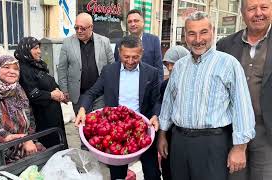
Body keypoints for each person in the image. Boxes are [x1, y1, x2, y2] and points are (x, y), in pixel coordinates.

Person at [158, 11, 256, 180]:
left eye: (203, 32)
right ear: (185, 36)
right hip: (179, 142)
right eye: (192, 33)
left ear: (212, 31)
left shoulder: (228, 64)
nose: (198, 39)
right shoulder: (179, 66)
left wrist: (240, 148)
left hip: (213, 144)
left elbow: (242, 107)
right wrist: (162, 135)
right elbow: (168, 102)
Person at [75, 35, 161, 180]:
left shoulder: (151, 73)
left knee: (152, 173)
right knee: (118, 175)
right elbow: (91, 92)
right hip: (116, 130)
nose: (130, 61)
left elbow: (157, 100)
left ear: (142, 53)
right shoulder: (109, 71)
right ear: (119, 53)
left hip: (142, 129)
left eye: (135, 57)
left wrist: (155, 115)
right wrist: (82, 109)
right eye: (126, 56)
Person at [216, 0, 272, 179]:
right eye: (251, 8)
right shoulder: (225, 45)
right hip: (233, 130)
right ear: (242, 13)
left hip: (267, 132)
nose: (258, 13)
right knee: (235, 176)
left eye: (264, 7)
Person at [0, 55, 45, 163]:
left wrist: (30, 139)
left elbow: (30, 118)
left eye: (16, 68)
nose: (12, 71)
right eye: (6, 67)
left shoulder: (18, 89)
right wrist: (12, 138)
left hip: (22, 143)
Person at [14, 37, 68, 148]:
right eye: (35, 48)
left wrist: (59, 92)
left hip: (52, 114)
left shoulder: (37, 65)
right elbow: (32, 94)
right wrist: (51, 95)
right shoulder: (24, 69)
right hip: (41, 118)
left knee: (58, 142)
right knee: (49, 146)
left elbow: (48, 82)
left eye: (39, 48)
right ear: (26, 50)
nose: (39, 51)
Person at [58, 12, 114, 114]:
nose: (79, 31)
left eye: (82, 28)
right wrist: (64, 90)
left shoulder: (104, 42)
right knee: (83, 126)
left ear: (91, 27)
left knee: (100, 125)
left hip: (100, 94)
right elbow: (62, 68)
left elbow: (112, 66)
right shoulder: (67, 43)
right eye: (76, 28)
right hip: (79, 95)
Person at [158, 45, 189, 180]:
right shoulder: (165, 85)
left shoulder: (193, 84)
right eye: (167, 64)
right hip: (170, 134)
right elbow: (163, 109)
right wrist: (162, 136)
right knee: (167, 169)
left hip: (188, 137)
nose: (170, 68)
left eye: (173, 64)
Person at [114, 9, 163, 81]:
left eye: (136, 21)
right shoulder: (120, 43)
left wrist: (158, 88)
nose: (133, 24)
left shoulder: (154, 40)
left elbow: (159, 67)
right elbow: (117, 67)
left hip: (148, 85)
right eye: (130, 22)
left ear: (143, 22)